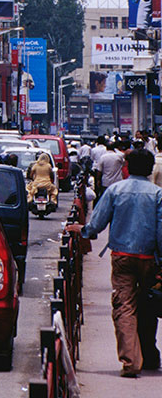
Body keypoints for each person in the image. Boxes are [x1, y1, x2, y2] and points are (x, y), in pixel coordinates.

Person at [69, 148, 162, 377]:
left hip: (121, 258)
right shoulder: (158, 194)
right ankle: (149, 355)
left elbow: (96, 224)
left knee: (125, 307)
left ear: (127, 167)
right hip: (150, 258)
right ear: (150, 169)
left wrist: (82, 231)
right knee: (148, 306)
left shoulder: (115, 190)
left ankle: (131, 361)